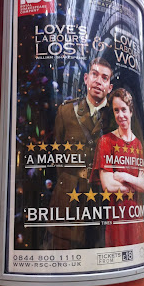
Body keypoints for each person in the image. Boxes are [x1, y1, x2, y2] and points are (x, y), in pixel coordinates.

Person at [46, 57, 114, 249]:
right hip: (69, 194)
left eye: (104, 77)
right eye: (94, 74)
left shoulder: (116, 115)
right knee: (65, 248)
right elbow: (57, 152)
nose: (98, 81)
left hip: (103, 196)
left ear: (109, 87)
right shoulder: (66, 112)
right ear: (86, 78)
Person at [90, 88, 144, 247]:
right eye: (116, 110)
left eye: (123, 110)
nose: (120, 115)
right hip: (117, 215)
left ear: (131, 112)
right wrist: (135, 184)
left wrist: (123, 176)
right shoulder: (106, 141)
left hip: (136, 217)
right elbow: (108, 185)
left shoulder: (138, 144)